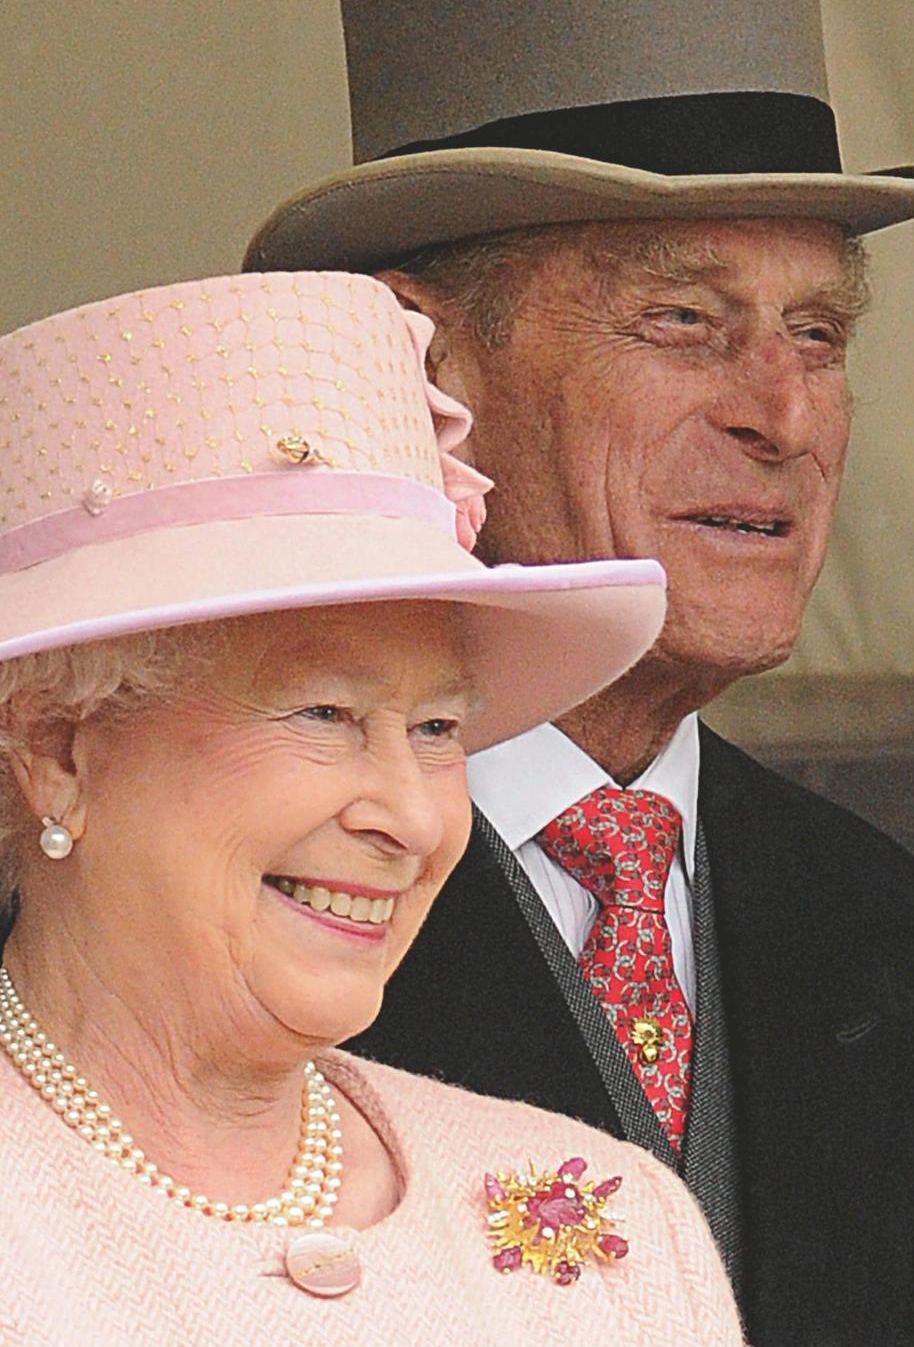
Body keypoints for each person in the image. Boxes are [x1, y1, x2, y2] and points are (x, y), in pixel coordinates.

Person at [243, 0, 914, 1345]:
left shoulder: (902, 929)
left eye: (819, 333)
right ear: (420, 363)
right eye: (686, 320)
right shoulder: (191, 922)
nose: (783, 414)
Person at [0, 270, 744, 1345]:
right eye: (323, 712)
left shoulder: (616, 1223)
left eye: (437, 730)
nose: (413, 815)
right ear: (61, 751)